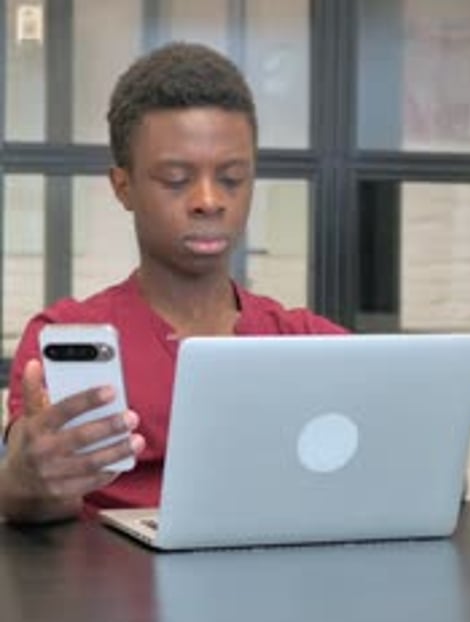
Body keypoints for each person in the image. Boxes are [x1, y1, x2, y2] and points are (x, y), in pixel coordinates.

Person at [0, 42, 347, 524]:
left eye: (231, 178)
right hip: (112, 595)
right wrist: (24, 477)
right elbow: (23, 488)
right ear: (124, 187)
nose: (209, 201)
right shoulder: (65, 332)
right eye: (177, 179)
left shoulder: (310, 341)